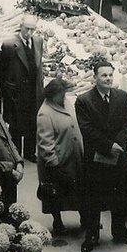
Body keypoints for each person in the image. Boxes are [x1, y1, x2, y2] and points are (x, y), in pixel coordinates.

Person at [75, 61, 127, 252]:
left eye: (110, 75)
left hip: (118, 156)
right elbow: (87, 130)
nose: (108, 78)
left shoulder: (122, 96)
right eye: (103, 75)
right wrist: (109, 146)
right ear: (95, 77)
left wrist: (119, 144)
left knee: (121, 195)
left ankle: (120, 232)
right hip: (97, 157)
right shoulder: (84, 101)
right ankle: (92, 235)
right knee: (94, 198)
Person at [36, 77, 84, 237]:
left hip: (73, 158)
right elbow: (45, 144)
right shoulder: (45, 113)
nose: (64, 96)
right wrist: (54, 164)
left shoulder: (64, 102)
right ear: (52, 95)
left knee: (78, 191)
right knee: (56, 193)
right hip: (59, 162)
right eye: (61, 94)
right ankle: (58, 222)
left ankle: (85, 219)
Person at [0, 15, 44, 160]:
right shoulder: (9, 45)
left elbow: (38, 64)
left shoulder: (38, 41)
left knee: (32, 123)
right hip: (17, 93)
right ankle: (16, 154)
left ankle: (30, 153)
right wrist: (7, 91)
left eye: (32, 29)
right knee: (16, 125)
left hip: (33, 91)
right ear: (21, 26)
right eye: (27, 29)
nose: (29, 33)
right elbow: (3, 70)